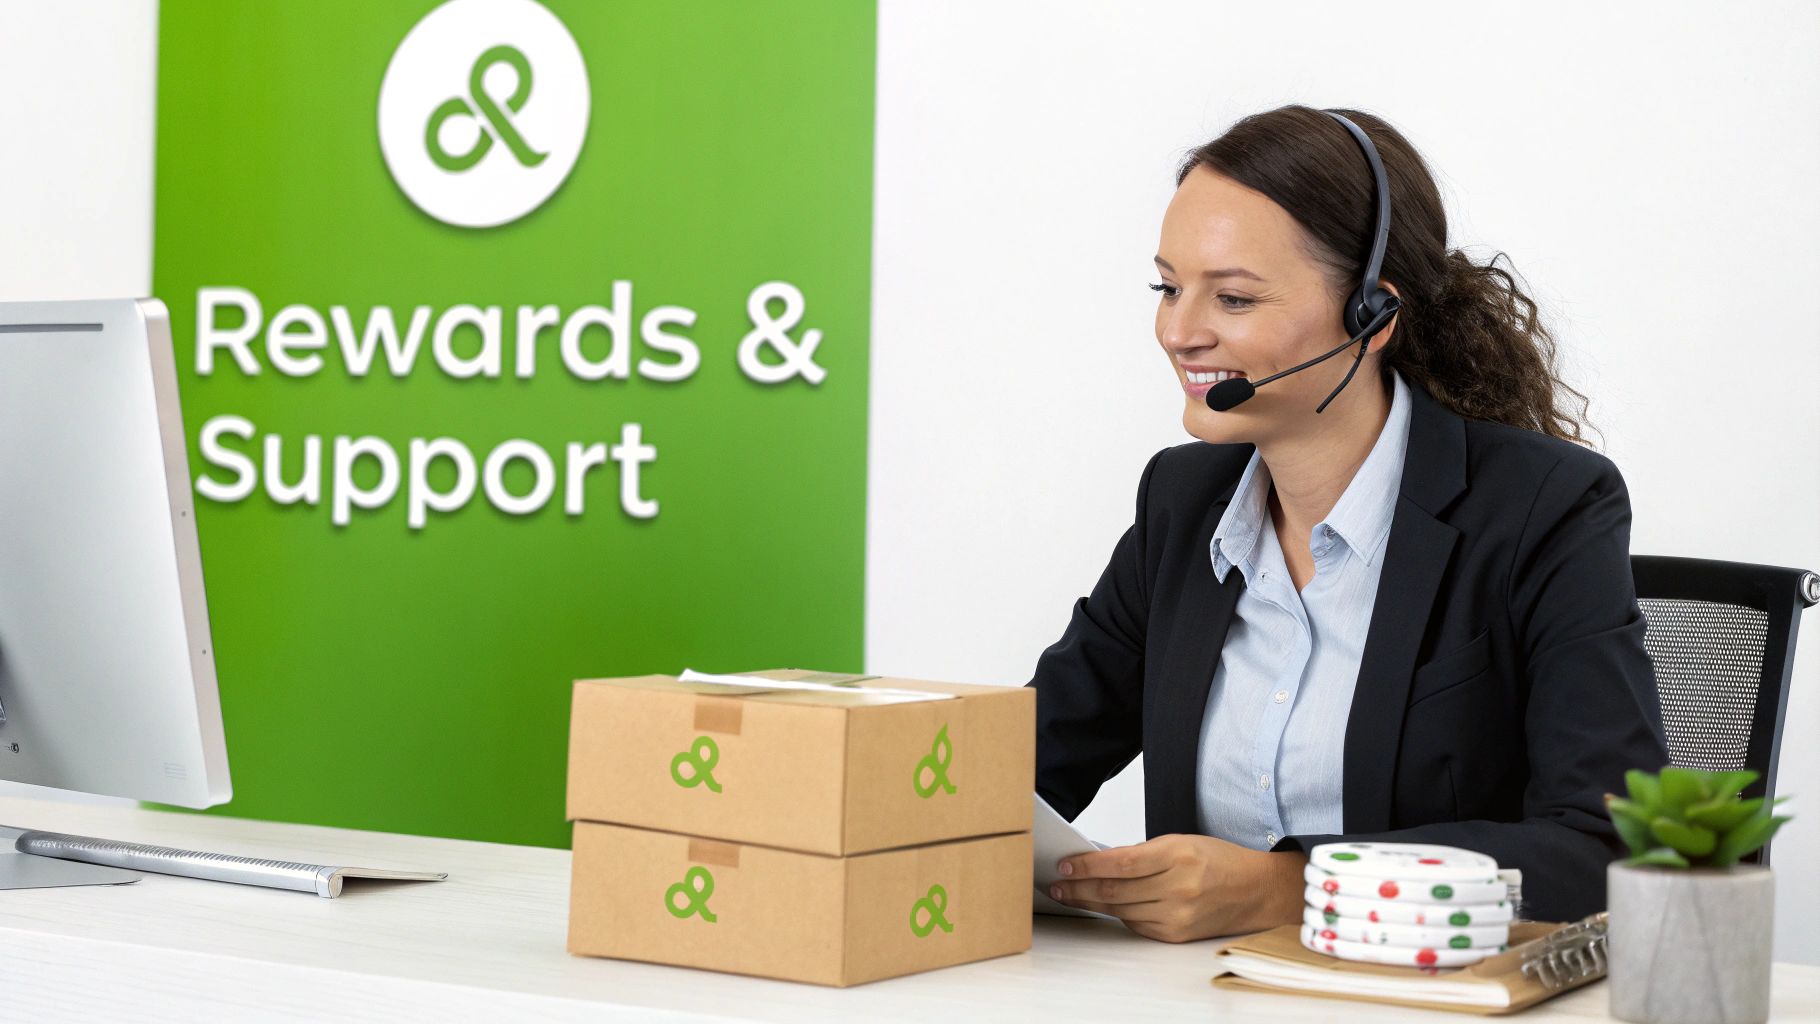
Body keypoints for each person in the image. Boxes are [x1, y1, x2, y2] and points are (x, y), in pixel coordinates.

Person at [1029, 104, 1668, 942]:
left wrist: (1287, 887)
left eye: (1232, 296)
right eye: (1168, 287)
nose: (1179, 332)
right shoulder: (1183, 505)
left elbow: (1606, 849)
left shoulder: (1542, 507)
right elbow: (1024, 768)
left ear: (1372, 316)